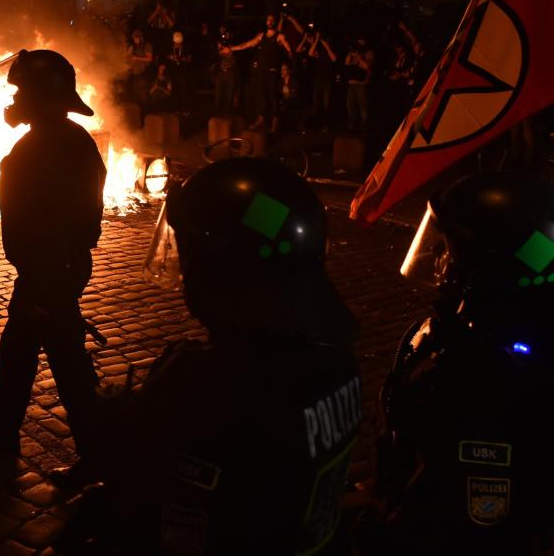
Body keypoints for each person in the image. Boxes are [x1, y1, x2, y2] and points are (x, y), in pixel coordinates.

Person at [84, 158, 361, 553]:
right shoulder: (335, 358)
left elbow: (160, 516)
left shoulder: (203, 386)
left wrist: (124, 430)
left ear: (222, 264)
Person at [370, 172, 554, 554]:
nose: (438, 260)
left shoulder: (483, 380)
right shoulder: (469, 333)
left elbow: (446, 516)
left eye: (449, 250)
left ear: (487, 265)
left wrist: (378, 533)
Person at [0, 50, 106, 479]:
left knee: (67, 363)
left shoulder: (52, 146)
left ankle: (96, 455)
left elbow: (72, 217)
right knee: (17, 348)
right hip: (48, 269)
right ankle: (4, 427)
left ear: (43, 95)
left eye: (22, 89)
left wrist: (47, 280)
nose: (15, 98)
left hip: (50, 271)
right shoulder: (63, 140)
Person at [228, 13, 293, 131]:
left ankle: (274, 126)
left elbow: (289, 50)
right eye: (268, 19)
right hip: (261, 71)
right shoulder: (261, 36)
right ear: (266, 22)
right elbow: (246, 45)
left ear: (275, 22)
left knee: (273, 97)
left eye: (272, 20)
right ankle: (261, 120)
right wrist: (231, 48)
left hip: (273, 72)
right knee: (261, 96)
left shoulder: (280, 37)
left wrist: (288, 58)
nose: (270, 22)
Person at [344, 37, 374, 132]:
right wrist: (350, 54)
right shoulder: (353, 53)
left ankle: (365, 126)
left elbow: (367, 66)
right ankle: (352, 126)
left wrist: (358, 57)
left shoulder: (369, 53)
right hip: (352, 84)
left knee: (363, 107)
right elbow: (346, 63)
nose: (360, 43)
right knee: (350, 106)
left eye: (362, 40)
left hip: (362, 84)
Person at [214, 25, 239, 115]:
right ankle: (217, 115)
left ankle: (227, 116)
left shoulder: (235, 45)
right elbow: (218, 54)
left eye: (228, 33)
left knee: (229, 96)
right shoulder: (221, 43)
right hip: (221, 72)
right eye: (225, 33)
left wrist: (228, 50)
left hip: (230, 73)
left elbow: (234, 56)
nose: (226, 35)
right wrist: (219, 49)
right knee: (218, 95)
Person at [126, 29, 153, 106]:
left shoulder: (147, 46)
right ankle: (138, 109)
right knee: (136, 92)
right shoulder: (133, 47)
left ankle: (146, 109)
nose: (135, 40)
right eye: (134, 38)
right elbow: (128, 57)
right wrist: (128, 56)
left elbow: (149, 59)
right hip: (135, 72)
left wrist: (137, 58)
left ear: (141, 38)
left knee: (143, 93)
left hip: (144, 72)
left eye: (136, 38)